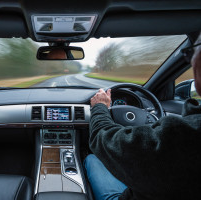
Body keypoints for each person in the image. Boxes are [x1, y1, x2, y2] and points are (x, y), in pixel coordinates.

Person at [85, 33, 201, 200]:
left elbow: (103, 140)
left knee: (92, 158)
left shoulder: (183, 137)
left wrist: (101, 107)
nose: (190, 62)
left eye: (191, 54)